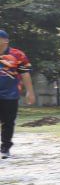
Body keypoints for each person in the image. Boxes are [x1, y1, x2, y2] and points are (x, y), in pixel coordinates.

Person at [0, 28, 34, 158]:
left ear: (5, 41)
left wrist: (30, 92)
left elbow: (25, 74)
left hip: (10, 95)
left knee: (8, 122)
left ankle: (5, 148)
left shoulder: (18, 55)